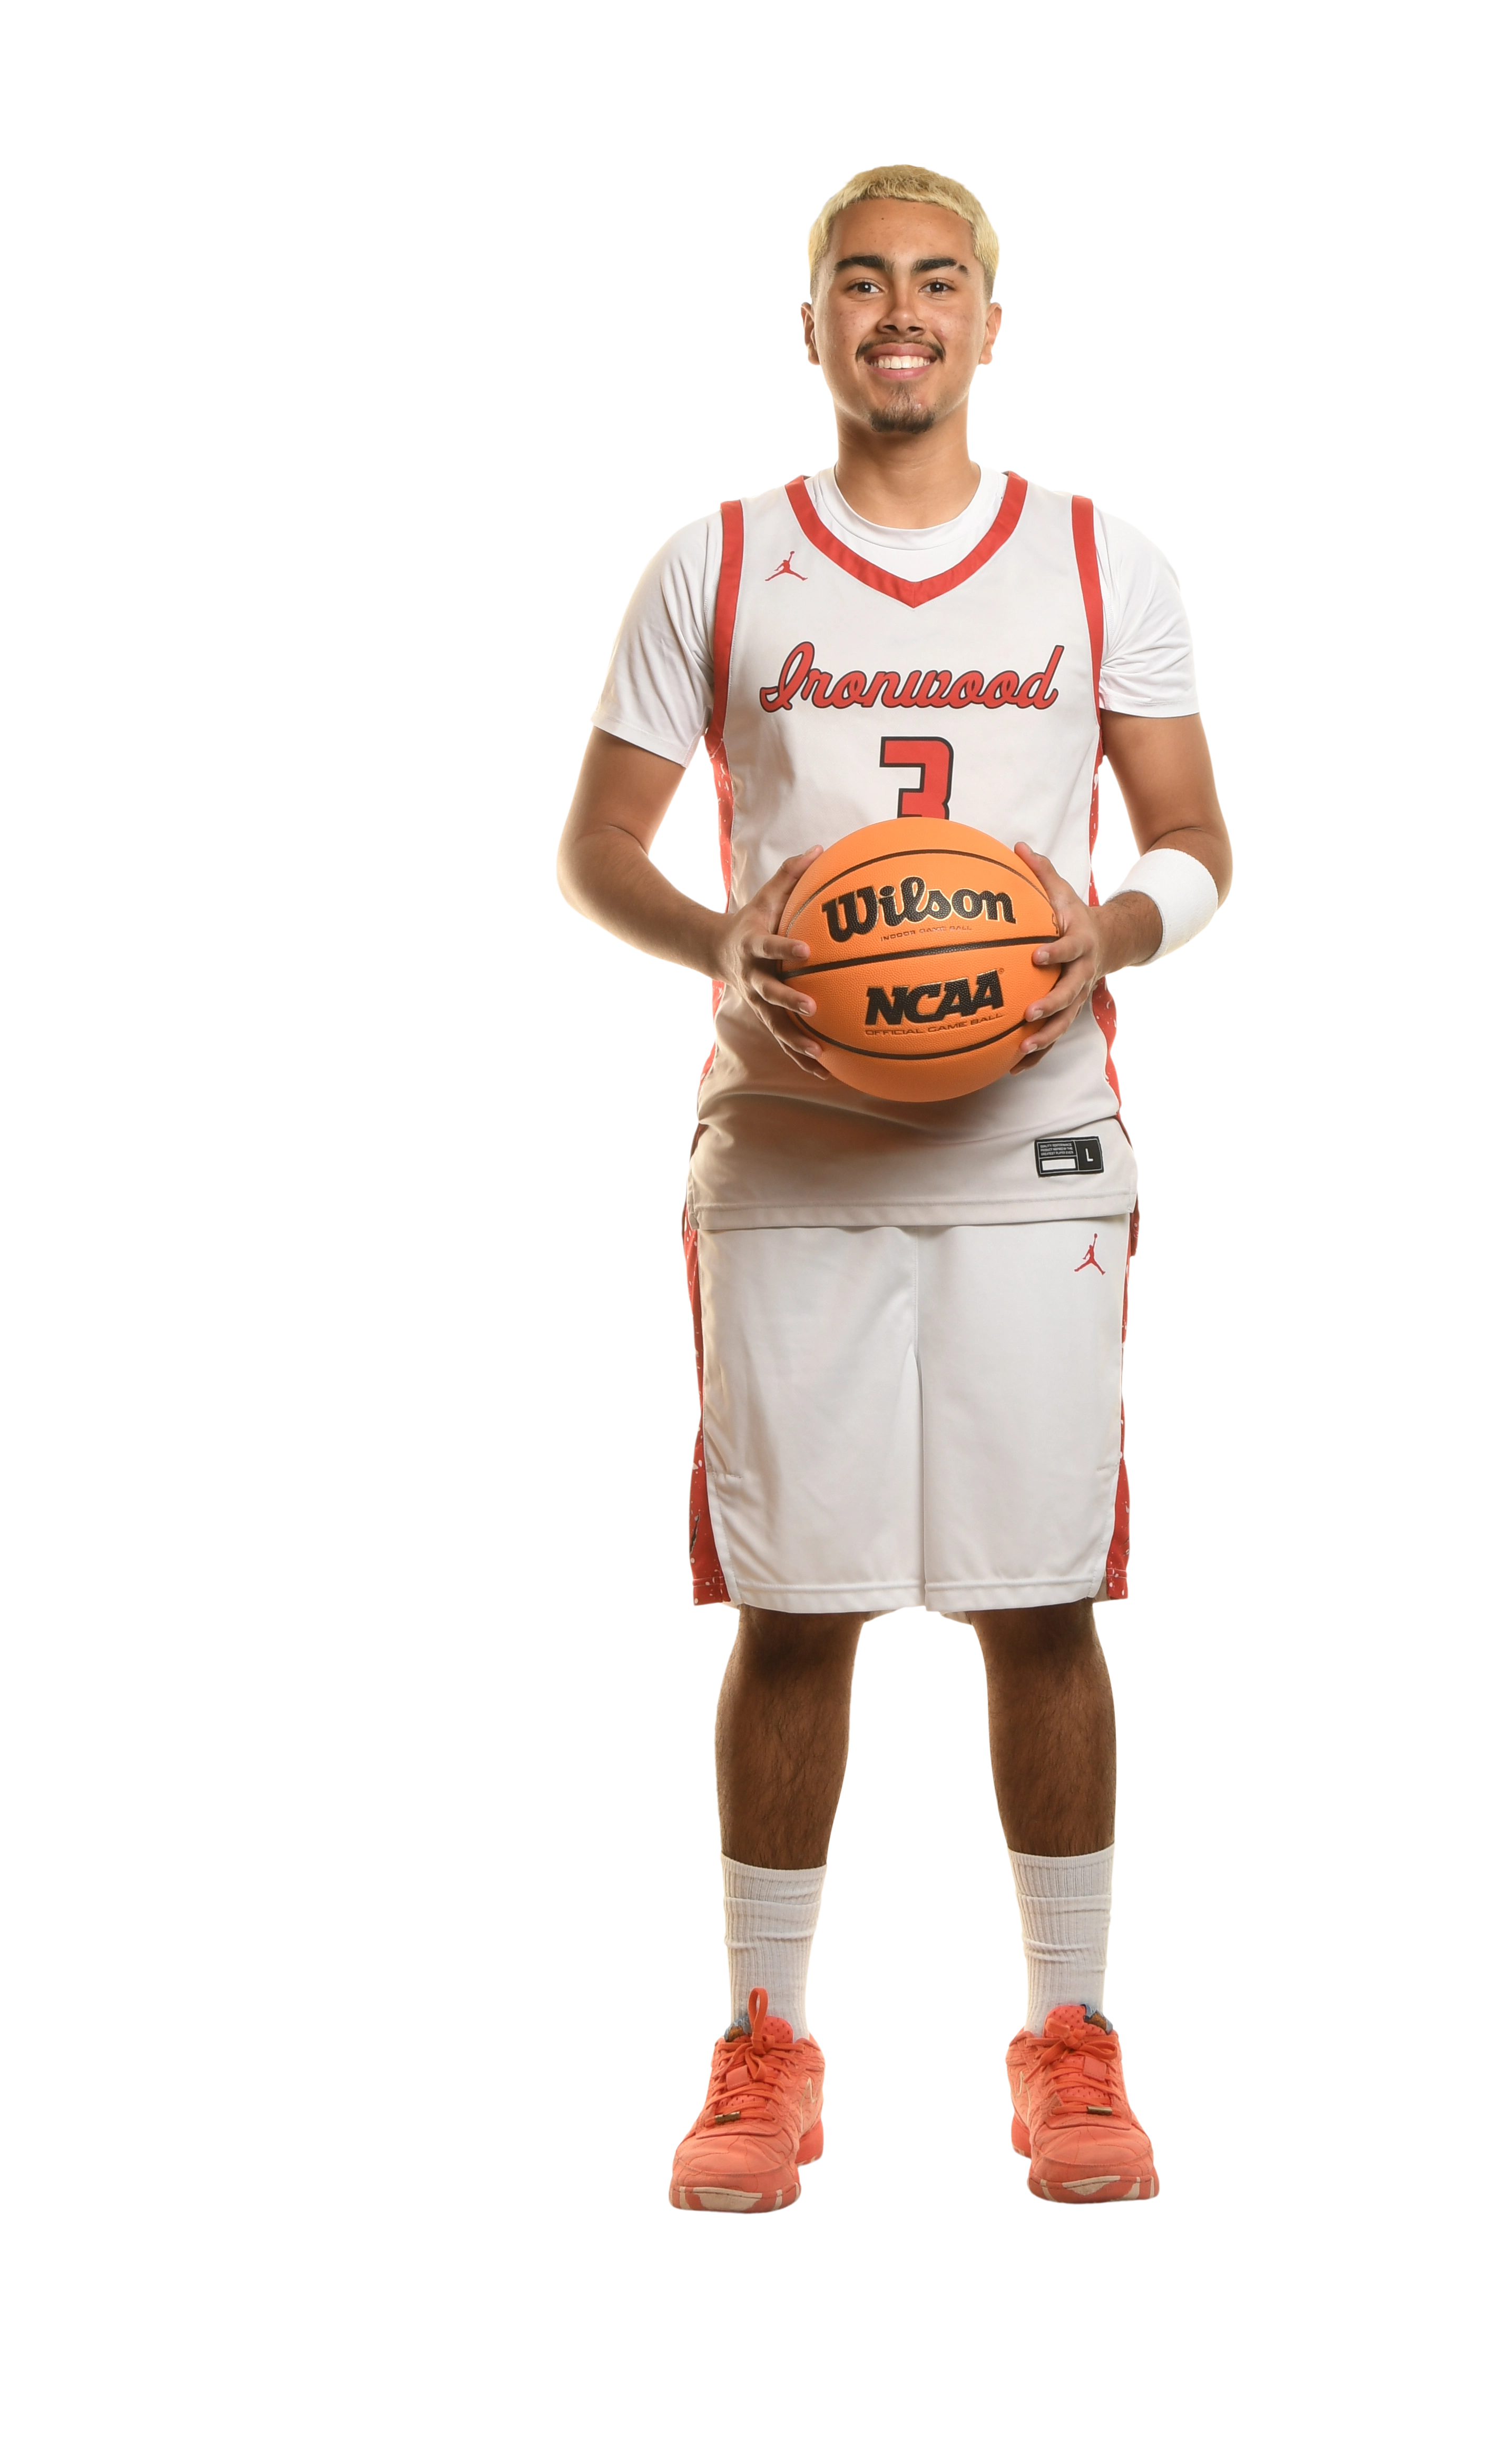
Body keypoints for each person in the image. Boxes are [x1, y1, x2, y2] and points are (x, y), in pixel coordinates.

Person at [555, 165, 1233, 2210]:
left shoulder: (1102, 560)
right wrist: (724, 944)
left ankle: (1069, 2039)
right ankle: (767, 2050)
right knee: (794, 1603)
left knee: (1043, 1593)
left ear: (993, 322)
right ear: (812, 321)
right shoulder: (719, 562)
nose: (902, 310)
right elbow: (597, 849)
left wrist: (1106, 934)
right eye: (863, 280)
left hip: (1036, 1140)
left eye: (940, 279)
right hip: (784, 1144)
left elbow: (1199, 839)